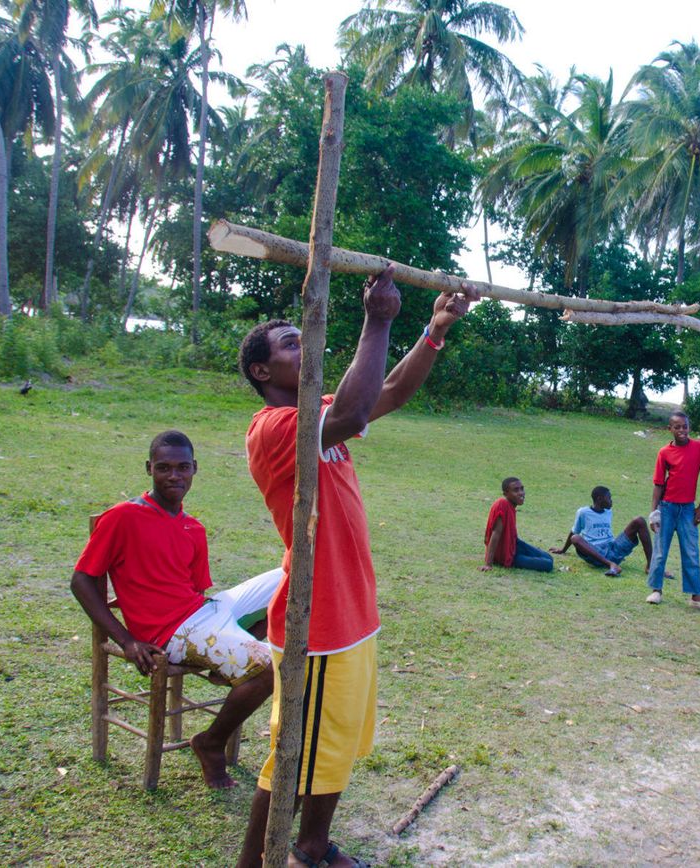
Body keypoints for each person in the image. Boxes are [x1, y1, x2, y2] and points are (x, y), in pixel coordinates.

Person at [235, 268, 477, 868]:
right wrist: (378, 318)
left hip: (351, 615)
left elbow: (386, 392)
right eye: (292, 343)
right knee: (289, 758)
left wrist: (434, 333)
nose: (306, 344)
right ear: (262, 372)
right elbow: (354, 407)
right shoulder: (275, 428)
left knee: (333, 745)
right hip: (314, 624)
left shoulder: (317, 410)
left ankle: (313, 847)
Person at [70, 430, 281, 790]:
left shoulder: (192, 527)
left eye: (182, 467)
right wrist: (127, 640)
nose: (174, 476)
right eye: (164, 468)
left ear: (194, 469)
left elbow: (197, 590)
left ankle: (236, 655)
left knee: (295, 569)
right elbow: (81, 581)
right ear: (149, 468)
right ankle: (210, 743)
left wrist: (240, 625)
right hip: (173, 632)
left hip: (207, 610)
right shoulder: (122, 517)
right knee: (272, 669)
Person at [645, 411, 700, 613]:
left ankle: (696, 597)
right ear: (671, 429)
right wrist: (654, 512)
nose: (682, 430)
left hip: (687, 509)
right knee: (660, 552)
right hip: (666, 508)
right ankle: (656, 590)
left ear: (689, 427)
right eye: (677, 427)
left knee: (691, 553)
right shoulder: (664, 452)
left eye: (685, 426)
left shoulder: (699, 448)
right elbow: (658, 484)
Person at [550, 486, 653, 576]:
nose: (611, 500)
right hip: (596, 553)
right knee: (575, 538)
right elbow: (574, 531)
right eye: (609, 498)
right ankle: (610, 565)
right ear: (599, 499)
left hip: (614, 548)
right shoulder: (583, 512)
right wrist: (563, 550)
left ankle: (650, 566)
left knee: (639, 520)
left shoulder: (608, 511)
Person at [482, 477, 554, 572]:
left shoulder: (511, 506)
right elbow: (495, 533)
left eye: (522, 489)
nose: (521, 493)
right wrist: (488, 564)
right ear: (506, 494)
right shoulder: (502, 504)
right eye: (516, 490)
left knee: (549, 557)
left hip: (514, 544)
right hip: (504, 553)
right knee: (548, 564)